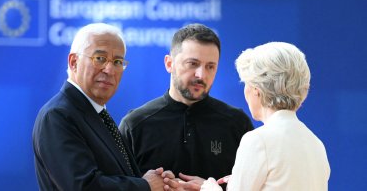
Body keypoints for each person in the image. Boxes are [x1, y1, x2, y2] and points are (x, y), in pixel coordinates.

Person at [32, 23, 169, 190]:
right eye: (100, 59)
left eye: (118, 61)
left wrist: (157, 180)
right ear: (74, 62)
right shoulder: (57, 115)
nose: (110, 70)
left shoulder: (98, 115)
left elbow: (119, 175)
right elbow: (83, 186)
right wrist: (145, 186)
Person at [119, 23, 254, 190]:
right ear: (169, 64)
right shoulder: (135, 125)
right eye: (192, 64)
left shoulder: (237, 124)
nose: (201, 75)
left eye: (210, 67)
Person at [200, 42, 331, 191]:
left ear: (257, 89)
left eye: (246, 84)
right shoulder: (316, 144)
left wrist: (210, 188)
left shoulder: (258, 141)